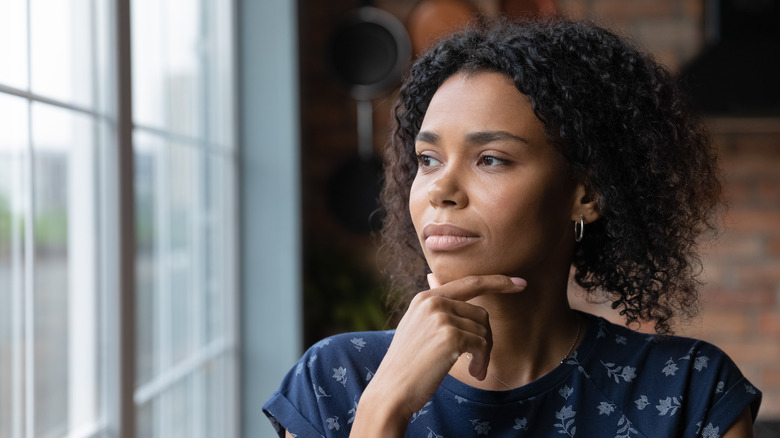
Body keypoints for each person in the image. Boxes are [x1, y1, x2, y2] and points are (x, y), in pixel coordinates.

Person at [263, 18, 762, 437]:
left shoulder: (690, 394)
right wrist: (383, 409)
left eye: (491, 159)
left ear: (587, 195)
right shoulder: (334, 382)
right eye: (428, 159)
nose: (441, 190)